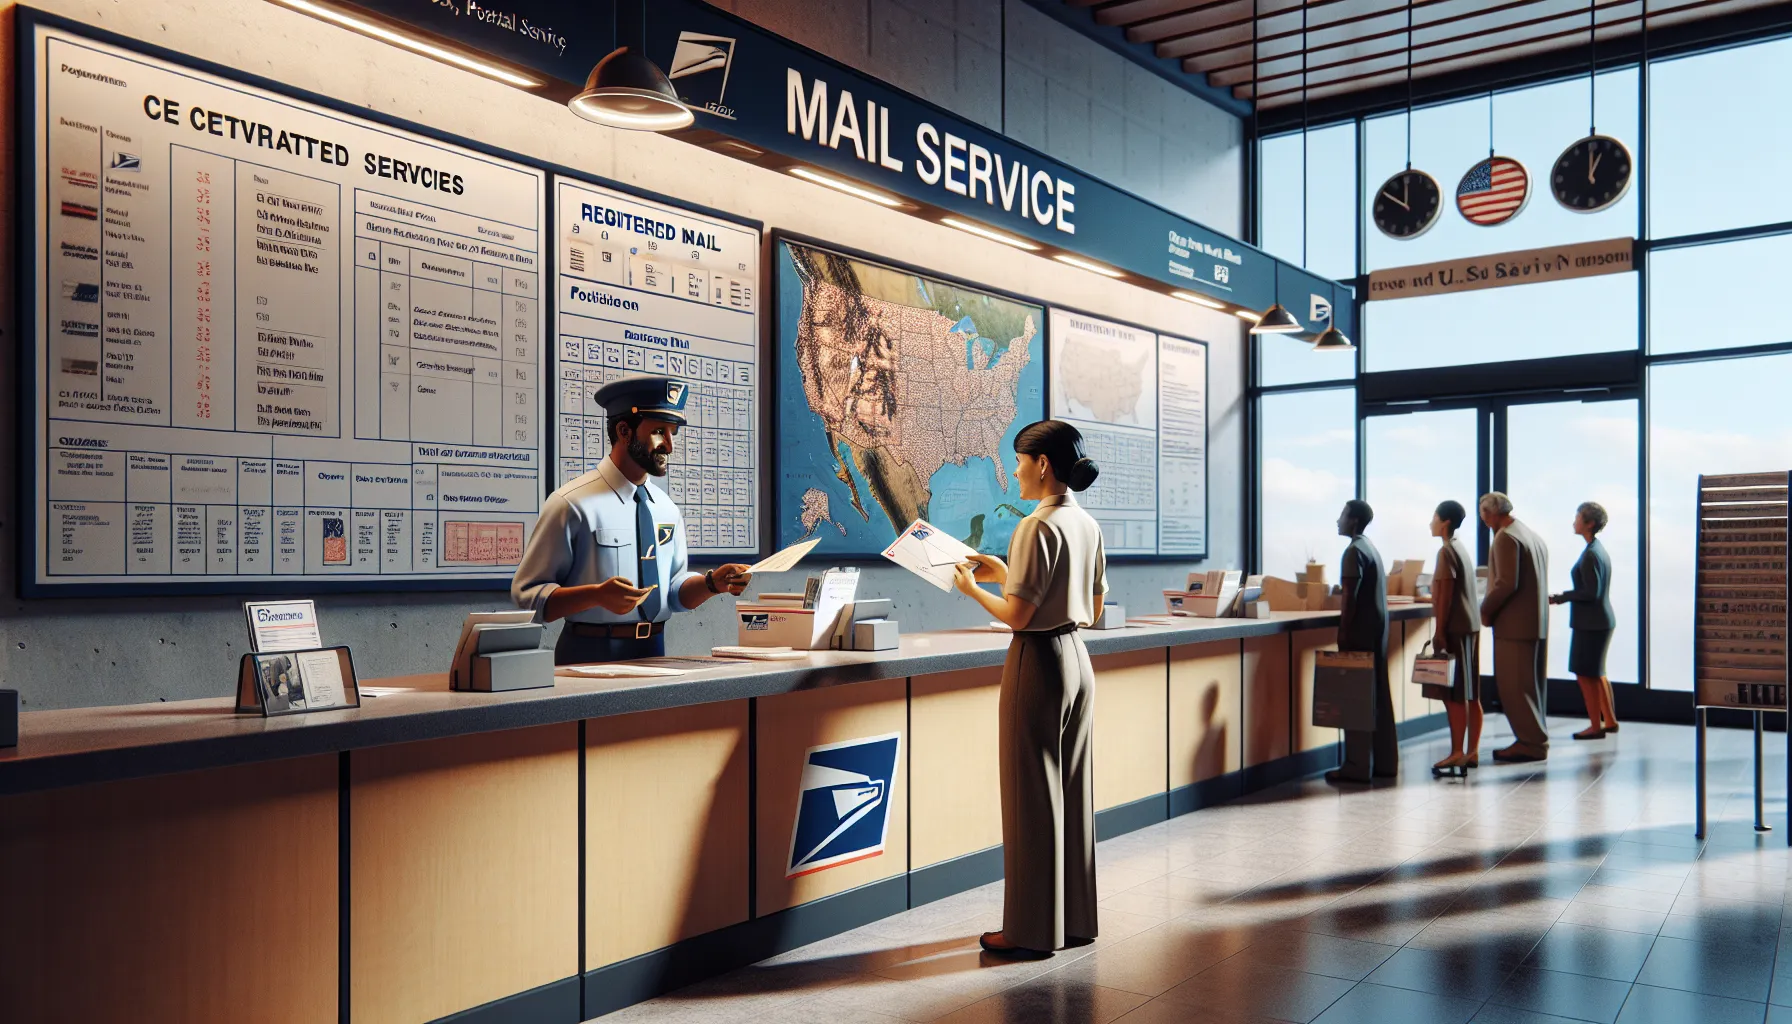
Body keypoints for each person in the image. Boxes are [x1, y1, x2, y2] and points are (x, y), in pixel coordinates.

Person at [951, 420, 1105, 958]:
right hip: (1078, 661)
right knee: (1072, 792)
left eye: (1019, 460)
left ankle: (1028, 931)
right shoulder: (1084, 523)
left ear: (1042, 464)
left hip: (1037, 660)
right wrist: (1004, 572)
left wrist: (973, 589)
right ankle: (1075, 920)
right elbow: (1094, 602)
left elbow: (1019, 615)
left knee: (1028, 797)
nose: (1014, 470)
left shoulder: (1034, 527)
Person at [512, 374, 753, 665]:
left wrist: (713, 583)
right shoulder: (571, 504)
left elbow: (674, 592)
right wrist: (596, 595)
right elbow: (527, 597)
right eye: (658, 432)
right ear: (624, 430)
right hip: (588, 655)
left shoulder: (665, 509)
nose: (669, 445)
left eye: (672, 433)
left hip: (655, 652)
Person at [1326, 499, 1397, 785]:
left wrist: (1342, 633)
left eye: (1342, 515)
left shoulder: (1353, 551)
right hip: (1377, 632)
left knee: (1355, 698)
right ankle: (1385, 762)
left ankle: (1356, 765)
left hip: (1358, 633)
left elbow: (1349, 598)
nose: (1338, 520)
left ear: (1353, 521)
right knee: (1378, 697)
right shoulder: (1371, 548)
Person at [1479, 492, 1551, 763]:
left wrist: (1485, 611)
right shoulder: (1532, 536)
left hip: (1514, 625)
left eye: (1483, 514)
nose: (1483, 520)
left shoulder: (1506, 538)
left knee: (1513, 687)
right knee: (1530, 687)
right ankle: (1534, 738)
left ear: (1492, 513)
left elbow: (1505, 583)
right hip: (1534, 623)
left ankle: (1531, 743)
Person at [1552, 501, 1618, 739]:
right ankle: (1609, 720)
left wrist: (1561, 597)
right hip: (1599, 620)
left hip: (1591, 623)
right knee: (1597, 672)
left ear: (1589, 523)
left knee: (1585, 674)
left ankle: (1595, 725)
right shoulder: (1596, 549)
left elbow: (1591, 593)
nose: (1574, 521)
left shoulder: (1591, 554)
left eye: (1578, 517)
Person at [1427, 500, 1483, 777]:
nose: (1431, 522)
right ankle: (1472, 750)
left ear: (1445, 522)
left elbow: (1446, 595)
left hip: (1455, 629)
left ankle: (1456, 753)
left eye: (1434, 517)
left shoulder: (1445, 552)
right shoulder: (1461, 548)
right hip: (1470, 626)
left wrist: (1439, 632)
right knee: (1472, 693)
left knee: (1455, 694)